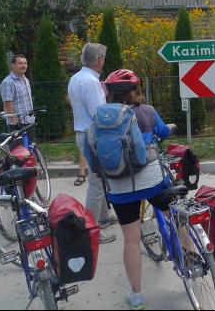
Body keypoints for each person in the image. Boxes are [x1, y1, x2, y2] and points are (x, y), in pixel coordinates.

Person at [101, 69, 177, 311]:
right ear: (135, 91)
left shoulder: (101, 118)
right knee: (174, 214)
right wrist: (169, 128)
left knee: (131, 241)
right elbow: (163, 132)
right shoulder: (148, 111)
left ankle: (136, 296)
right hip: (152, 179)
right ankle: (191, 257)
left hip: (120, 186)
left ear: (110, 94)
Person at [67, 43, 117, 244]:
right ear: (99, 60)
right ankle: (91, 228)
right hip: (92, 135)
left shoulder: (76, 78)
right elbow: (100, 114)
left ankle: (103, 217)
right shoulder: (91, 82)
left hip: (82, 132)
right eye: (103, 58)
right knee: (97, 183)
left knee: (99, 178)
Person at [0, 55, 35, 130]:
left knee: (30, 142)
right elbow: (8, 104)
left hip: (29, 121)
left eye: (25, 63)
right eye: (20, 63)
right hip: (17, 125)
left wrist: (33, 118)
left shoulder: (25, 80)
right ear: (13, 65)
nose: (24, 65)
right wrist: (16, 124)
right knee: (19, 142)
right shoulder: (8, 82)